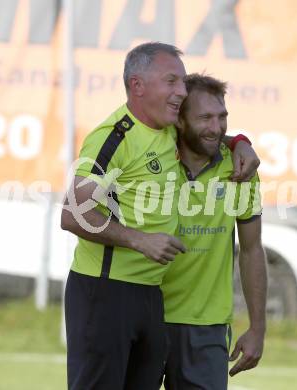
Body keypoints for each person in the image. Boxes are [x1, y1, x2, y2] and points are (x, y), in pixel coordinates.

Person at [61, 42, 260, 390]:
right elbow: (72, 214)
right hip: (121, 298)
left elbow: (205, 131)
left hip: (171, 309)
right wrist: (138, 240)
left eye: (182, 83)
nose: (180, 92)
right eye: (172, 82)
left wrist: (241, 141)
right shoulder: (129, 138)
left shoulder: (202, 149)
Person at [161, 74, 267, 390]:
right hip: (146, 317)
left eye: (222, 117)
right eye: (205, 117)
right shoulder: (153, 156)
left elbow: (251, 250)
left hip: (207, 328)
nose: (217, 127)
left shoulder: (240, 170)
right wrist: (238, 139)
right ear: (179, 121)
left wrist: (257, 329)